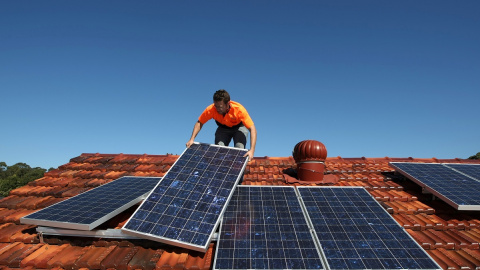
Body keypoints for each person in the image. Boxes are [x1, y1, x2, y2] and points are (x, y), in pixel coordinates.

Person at [186, 89, 257, 161]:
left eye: (220, 107)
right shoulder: (211, 109)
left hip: (239, 127)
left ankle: (239, 170)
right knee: (219, 150)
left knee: (239, 149)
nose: (217, 109)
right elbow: (199, 122)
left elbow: (252, 129)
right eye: (215, 106)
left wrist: (252, 150)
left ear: (227, 104)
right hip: (223, 128)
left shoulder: (239, 110)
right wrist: (191, 139)